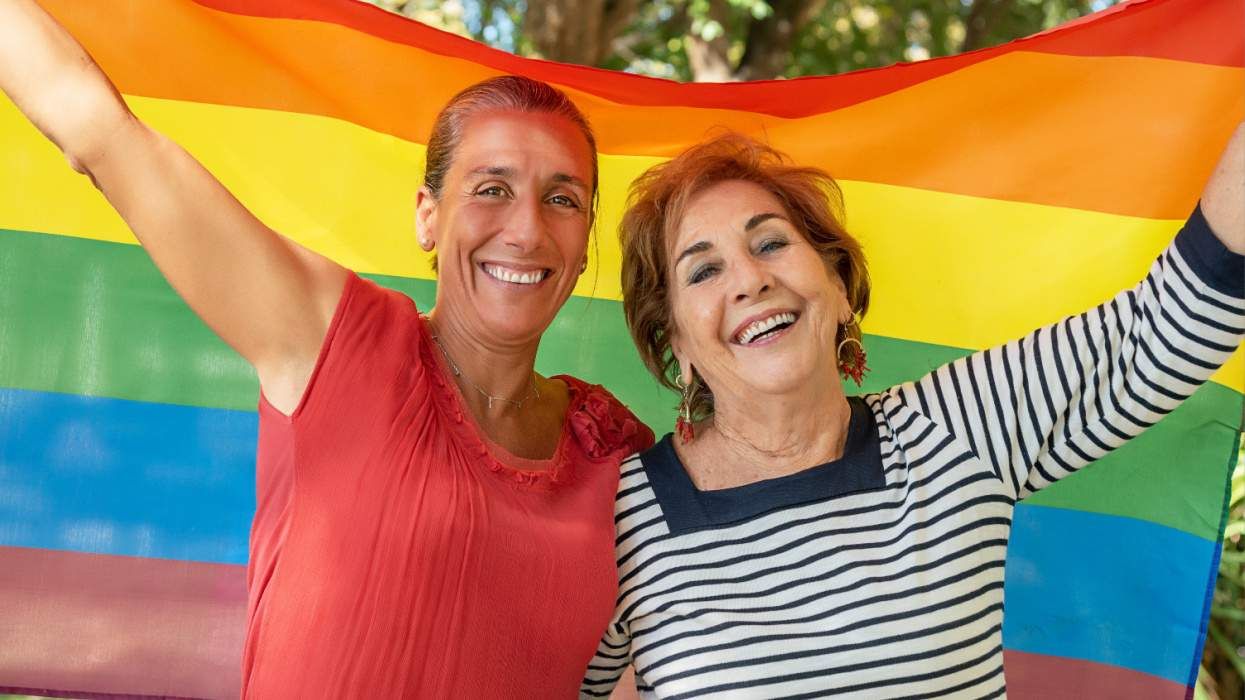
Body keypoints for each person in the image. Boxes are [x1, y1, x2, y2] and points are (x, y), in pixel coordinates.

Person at [0, 1, 654, 697]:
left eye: (562, 199)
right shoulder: (338, 345)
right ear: (427, 217)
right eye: (491, 189)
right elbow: (101, 133)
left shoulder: (611, 450)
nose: (525, 230)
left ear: (586, 243)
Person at [581, 130, 1244, 698]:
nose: (748, 279)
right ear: (677, 348)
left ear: (838, 288)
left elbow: (1172, 320)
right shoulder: (611, 514)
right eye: (702, 272)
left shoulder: (954, 429)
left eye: (771, 244)